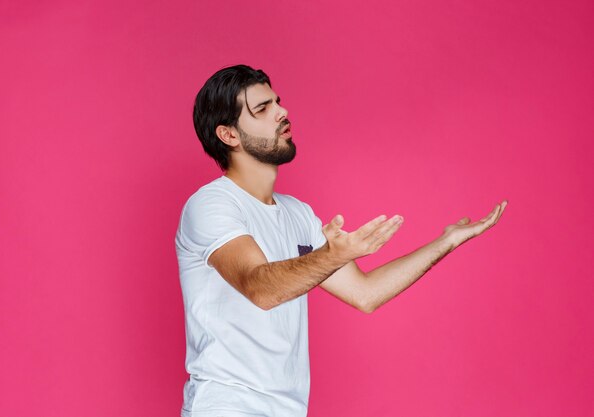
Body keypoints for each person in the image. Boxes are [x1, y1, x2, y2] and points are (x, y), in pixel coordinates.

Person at [175, 64, 507, 417]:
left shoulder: (297, 213)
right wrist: (331, 256)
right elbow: (260, 288)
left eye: (277, 102)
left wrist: (446, 242)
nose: (282, 112)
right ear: (229, 135)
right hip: (226, 407)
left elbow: (365, 294)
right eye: (262, 108)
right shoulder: (211, 205)